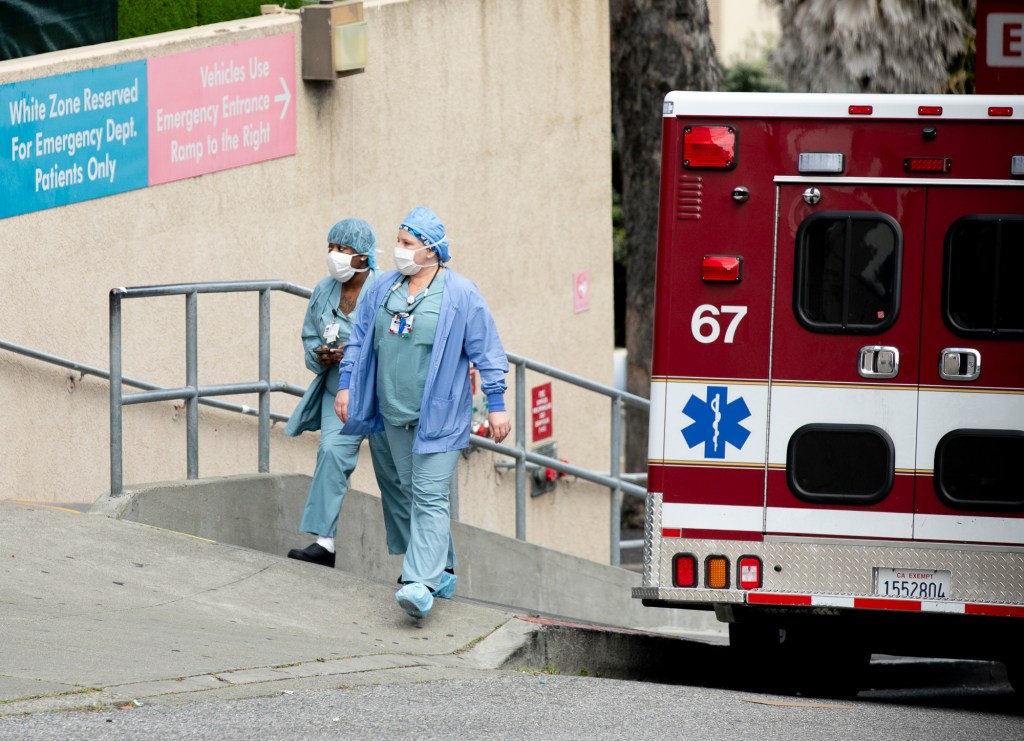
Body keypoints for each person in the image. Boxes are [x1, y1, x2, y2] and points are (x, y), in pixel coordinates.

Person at [336, 206, 511, 619]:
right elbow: (359, 339)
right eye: (397, 241)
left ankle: (418, 583)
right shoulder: (382, 288)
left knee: (431, 497)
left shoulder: (461, 295)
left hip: (441, 417)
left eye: (407, 243)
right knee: (415, 493)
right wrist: (346, 385)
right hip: (394, 413)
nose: (397, 250)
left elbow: (487, 352)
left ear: (431, 251)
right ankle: (444, 571)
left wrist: (498, 405)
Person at [284, 218, 406, 568]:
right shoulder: (323, 290)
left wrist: (354, 353)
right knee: (331, 453)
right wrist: (319, 355)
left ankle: (415, 559)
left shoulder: (387, 290)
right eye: (331, 249)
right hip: (337, 389)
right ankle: (324, 543)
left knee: (393, 476)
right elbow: (310, 336)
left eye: (343, 250)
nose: (334, 256)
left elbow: (396, 342)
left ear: (364, 257)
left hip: (379, 395)